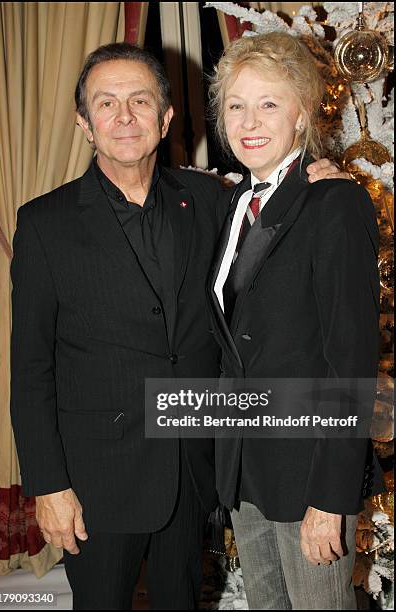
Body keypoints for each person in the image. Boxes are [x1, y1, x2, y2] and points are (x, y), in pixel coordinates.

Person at [10, 41, 344, 610]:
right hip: (97, 483)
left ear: (165, 119)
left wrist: (321, 186)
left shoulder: (210, 200)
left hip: (192, 471)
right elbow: (31, 370)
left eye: (140, 101)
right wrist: (48, 486)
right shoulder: (44, 224)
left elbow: (275, 220)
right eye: (106, 103)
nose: (124, 116)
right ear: (84, 123)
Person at [207, 32, 385, 610]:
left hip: (309, 471)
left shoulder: (334, 204)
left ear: (302, 114)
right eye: (236, 104)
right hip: (248, 466)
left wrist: (331, 498)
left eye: (269, 104)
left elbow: (349, 361)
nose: (249, 120)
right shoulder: (234, 204)